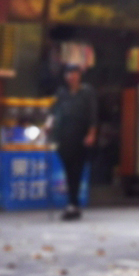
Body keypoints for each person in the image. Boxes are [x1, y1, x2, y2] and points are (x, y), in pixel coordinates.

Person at [48, 63, 97, 220]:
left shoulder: (87, 92)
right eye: (68, 74)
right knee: (68, 171)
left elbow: (93, 114)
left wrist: (91, 134)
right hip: (63, 137)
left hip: (80, 136)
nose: (71, 77)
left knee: (76, 170)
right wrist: (48, 125)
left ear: (79, 76)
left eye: (74, 73)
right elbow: (53, 112)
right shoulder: (61, 93)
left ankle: (73, 204)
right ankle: (72, 203)